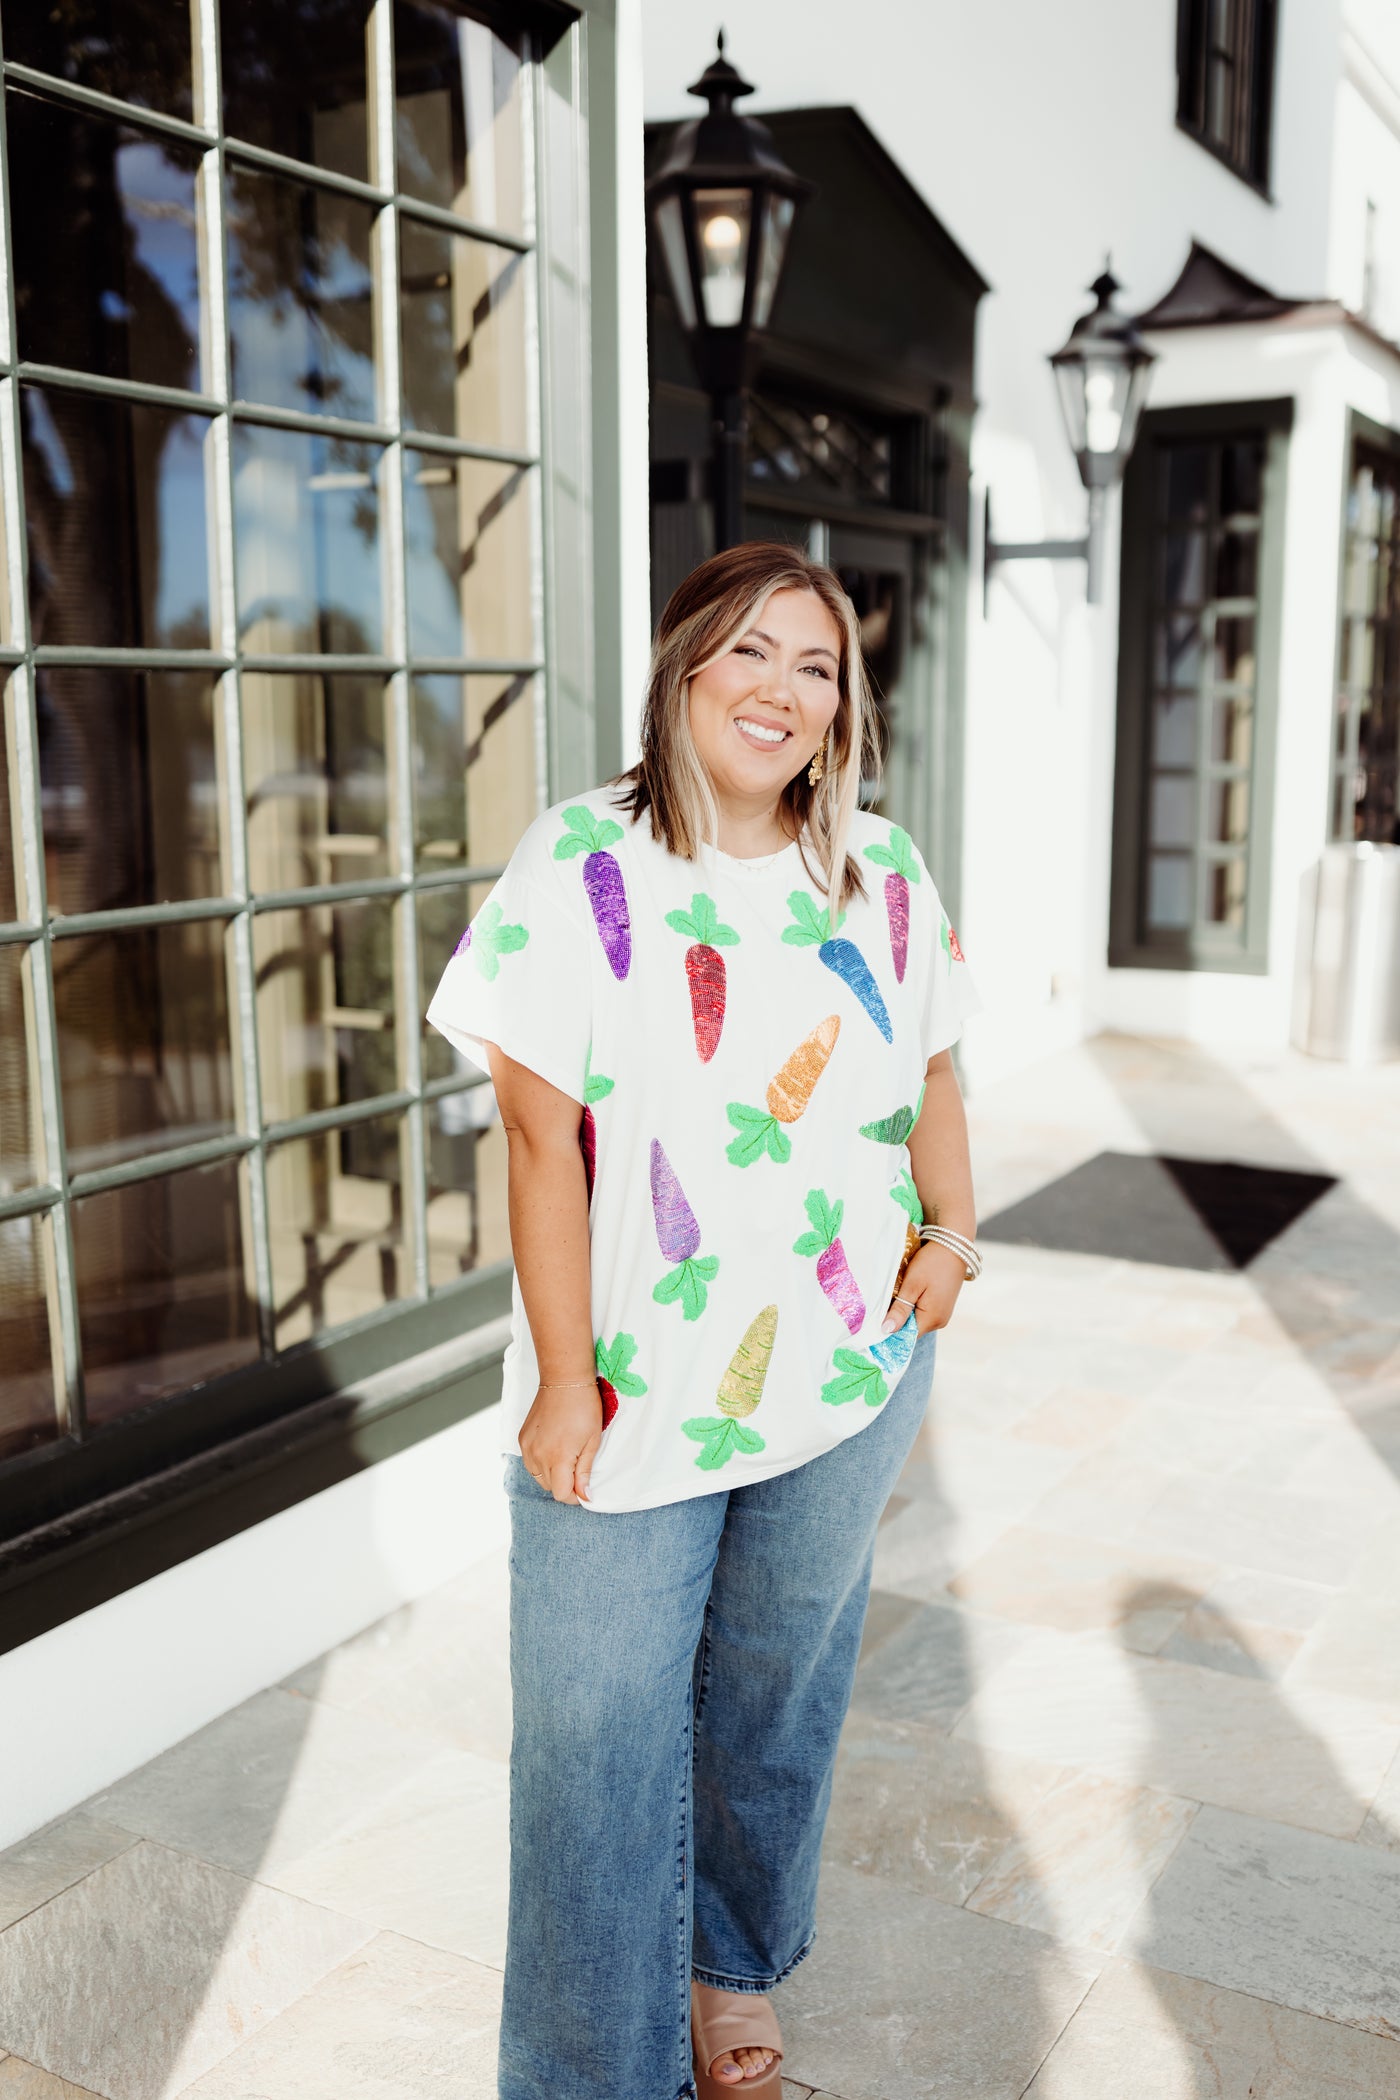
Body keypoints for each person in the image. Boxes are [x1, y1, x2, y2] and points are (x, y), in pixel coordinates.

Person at [427, 541, 979, 2100]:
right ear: (682, 668)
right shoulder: (578, 859)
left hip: (851, 1367)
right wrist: (558, 1381)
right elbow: (539, 1142)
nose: (781, 690)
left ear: (843, 705)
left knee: (772, 1694)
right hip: (630, 1382)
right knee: (594, 1749)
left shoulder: (886, 868)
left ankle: (730, 1969)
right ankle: (593, 2070)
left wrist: (955, 1231)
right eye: (749, 652)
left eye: (816, 666)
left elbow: (934, 1067)